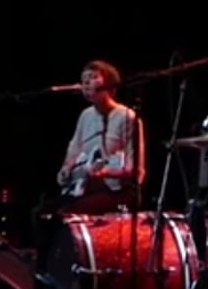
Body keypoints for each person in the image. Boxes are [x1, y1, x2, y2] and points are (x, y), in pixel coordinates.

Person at [53, 61, 142, 218]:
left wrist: (105, 172)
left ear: (109, 85)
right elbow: (74, 148)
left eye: (93, 77)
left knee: (69, 212)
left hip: (116, 191)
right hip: (85, 187)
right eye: (84, 79)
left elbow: (135, 169)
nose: (87, 82)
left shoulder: (126, 117)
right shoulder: (85, 115)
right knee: (42, 212)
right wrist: (66, 169)